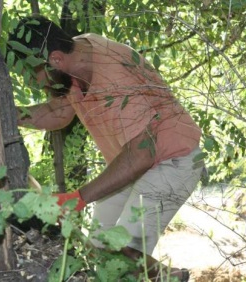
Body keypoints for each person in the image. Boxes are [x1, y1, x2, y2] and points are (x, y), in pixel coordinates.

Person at [10, 16, 202, 281]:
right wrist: (10, 115)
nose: (36, 84)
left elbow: (142, 153)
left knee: (122, 251)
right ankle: (170, 277)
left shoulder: (114, 80)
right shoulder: (75, 58)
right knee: (99, 249)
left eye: (34, 74)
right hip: (132, 161)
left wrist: (77, 198)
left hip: (172, 160)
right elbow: (60, 113)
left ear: (55, 59)